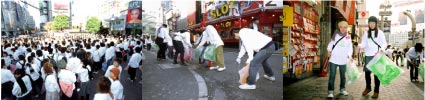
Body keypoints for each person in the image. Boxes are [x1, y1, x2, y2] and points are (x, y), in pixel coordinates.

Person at [360, 16, 387, 98]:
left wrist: (382, 49)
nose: (371, 24)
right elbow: (364, 43)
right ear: (368, 23)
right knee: (367, 73)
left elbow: (384, 43)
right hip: (368, 55)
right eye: (370, 23)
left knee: (376, 74)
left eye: (373, 23)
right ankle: (368, 88)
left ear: (376, 24)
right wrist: (360, 46)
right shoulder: (366, 33)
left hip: (377, 55)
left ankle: (376, 91)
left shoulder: (380, 32)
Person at [324, 21, 353, 98]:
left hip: (343, 59)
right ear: (339, 27)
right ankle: (330, 91)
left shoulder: (348, 37)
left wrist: (350, 56)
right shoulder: (335, 34)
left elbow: (349, 47)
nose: (343, 29)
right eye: (341, 27)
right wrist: (328, 50)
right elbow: (331, 43)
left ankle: (342, 89)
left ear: (347, 28)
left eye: (345, 27)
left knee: (343, 76)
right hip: (334, 58)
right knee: (332, 76)